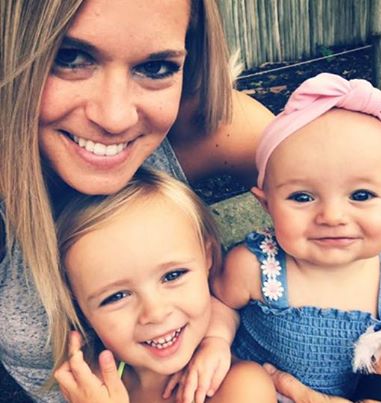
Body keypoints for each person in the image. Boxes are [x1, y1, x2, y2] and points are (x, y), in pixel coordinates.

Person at [0, 1, 274, 401]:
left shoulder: (204, 126)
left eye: (156, 67)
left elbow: (361, 213)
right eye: (70, 58)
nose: (115, 118)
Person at [209, 73, 381, 401]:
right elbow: (221, 304)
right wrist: (215, 341)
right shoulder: (255, 266)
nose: (332, 216)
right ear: (266, 204)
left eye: (361, 195)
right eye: (302, 197)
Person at [53, 168, 277, 403]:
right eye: (117, 296)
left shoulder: (242, 387)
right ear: (77, 306)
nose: (155, 313)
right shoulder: (93, 386)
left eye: (172, 275)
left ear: (207, 258)